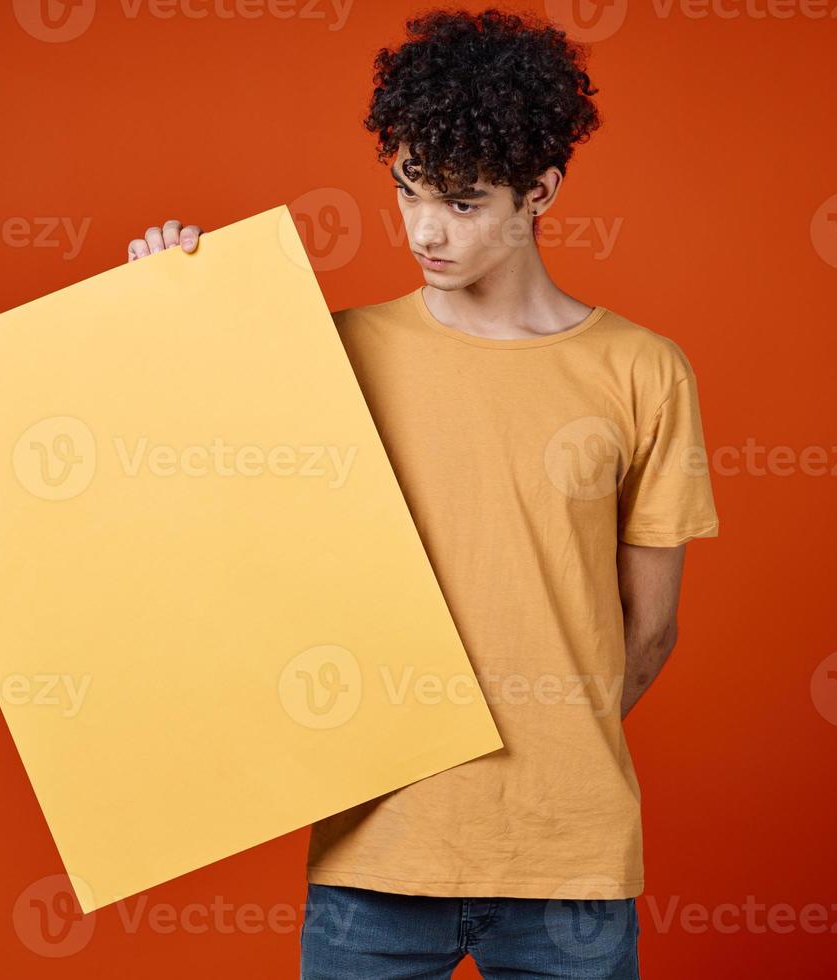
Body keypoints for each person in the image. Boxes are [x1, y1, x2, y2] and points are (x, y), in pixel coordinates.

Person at [127, 8, 718, 978]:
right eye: (406, 190)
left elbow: (650, 630)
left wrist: (543, 738)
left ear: (541, 192)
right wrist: (161, 307)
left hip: (569, 865)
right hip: (376, 853)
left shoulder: (644, 372)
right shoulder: (336, 352)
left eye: (462, 201)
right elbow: (198, 509)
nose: (424, 229)